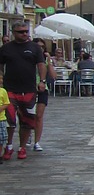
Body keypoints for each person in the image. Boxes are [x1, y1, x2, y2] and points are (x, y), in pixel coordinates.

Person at [0, 19, 47, 160]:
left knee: (27, 120)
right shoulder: (6, 48)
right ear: (14, 33)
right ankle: (8, 146)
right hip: (10, 89)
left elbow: (41, 65)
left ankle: (21, 147)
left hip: (29, 89)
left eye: (26, 31)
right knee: (10, 119)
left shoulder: (34, 48)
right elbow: (0, 66)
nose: (24, 34)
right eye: (21, 32)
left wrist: (42, 81)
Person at [31, 41, 57, 152]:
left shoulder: (45, 60)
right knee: (27, 115)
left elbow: (53, 76)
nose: (40, 49)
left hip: (42, 89)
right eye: (38, 46)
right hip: (29, 88)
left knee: (39, 116)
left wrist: (49, 61)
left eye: (42, 47)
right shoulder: (29, 58)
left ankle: (37, 142)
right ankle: (27, 135)